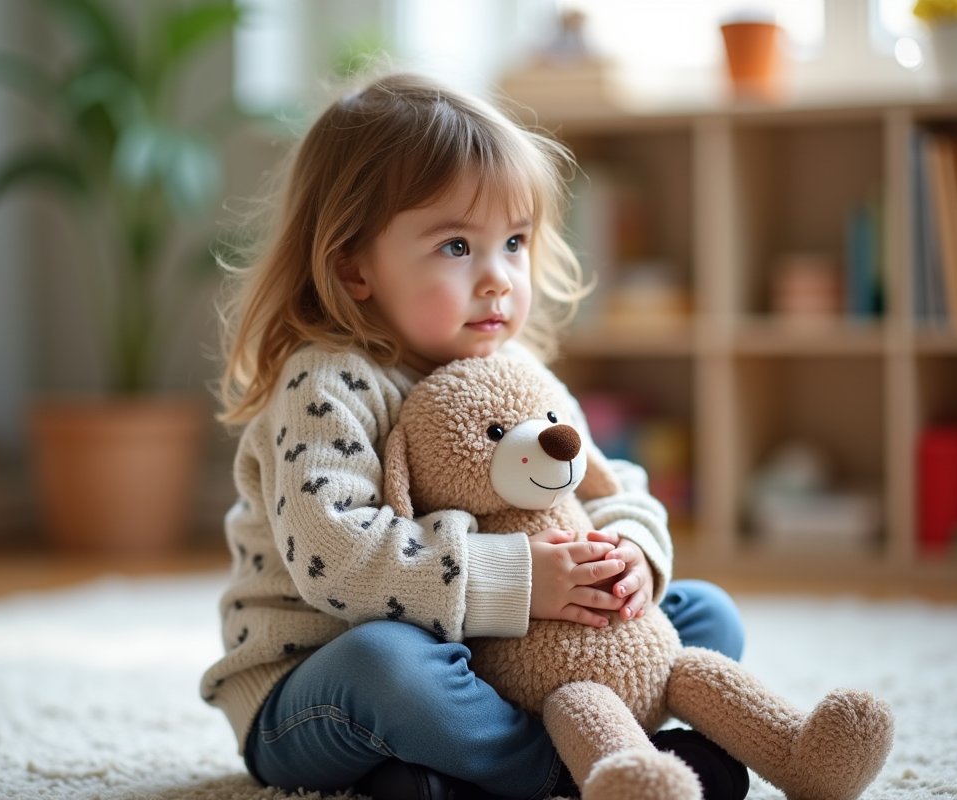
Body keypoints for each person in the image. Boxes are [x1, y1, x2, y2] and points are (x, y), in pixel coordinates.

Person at [201, 72, 747, 800]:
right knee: (389, 666)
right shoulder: (327, 381)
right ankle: (577, 768)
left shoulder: (509, 368)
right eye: (457, 246)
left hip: (491, 659)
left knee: (705, 612)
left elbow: (606, 480)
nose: (497, 279)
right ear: (353, 265)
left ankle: (461, 773)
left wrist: (628, 556)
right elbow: (333, 553)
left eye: (514, 242)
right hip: (314, 686)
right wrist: (519, 579)